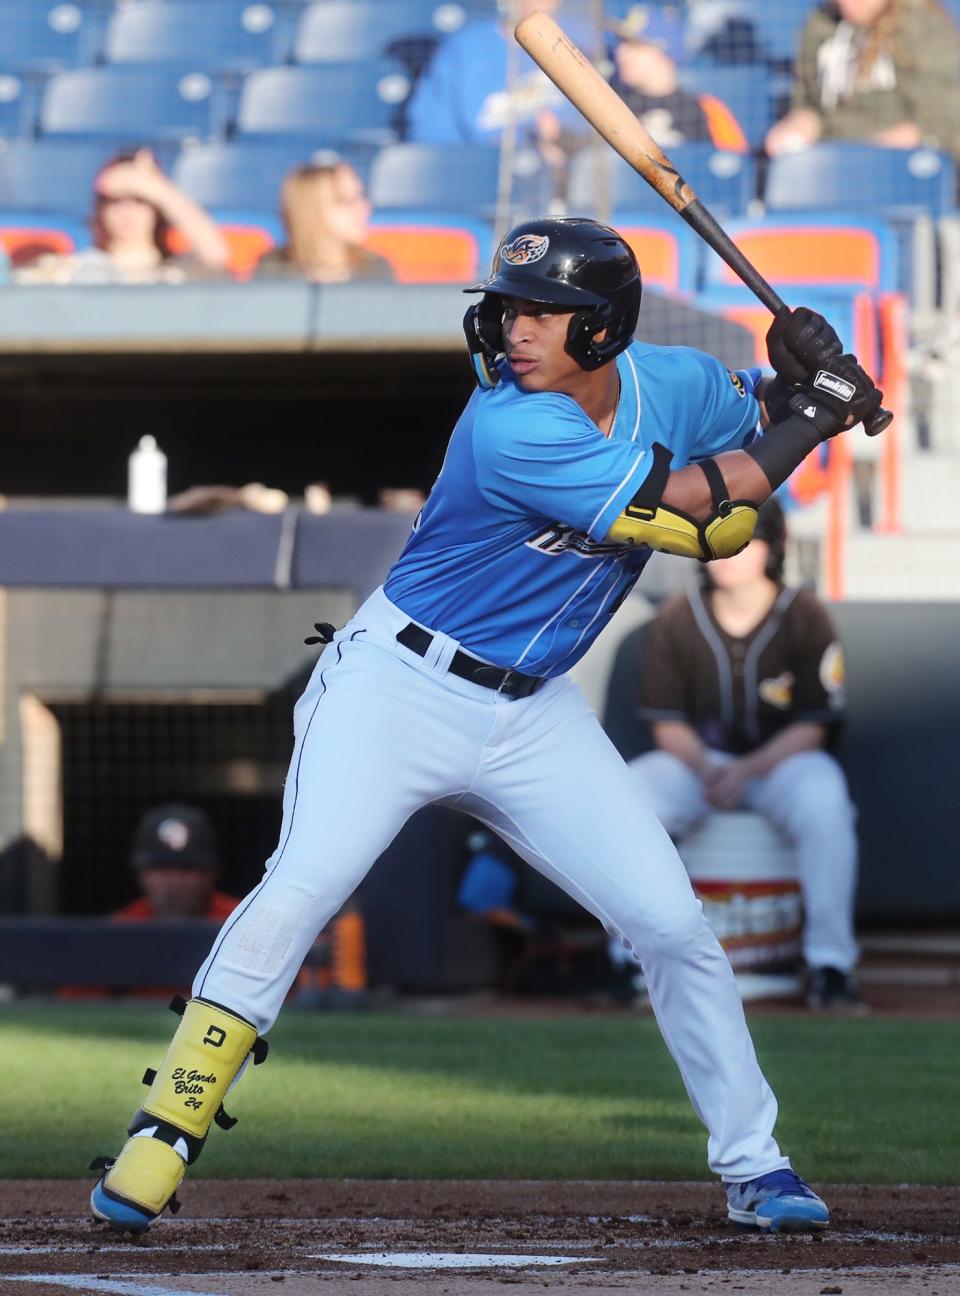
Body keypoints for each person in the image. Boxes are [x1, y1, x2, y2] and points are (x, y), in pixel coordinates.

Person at [89, 219, 883, 1237]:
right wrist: (816, 417)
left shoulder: (675, 383)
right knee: (302, 888)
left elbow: (748, 416)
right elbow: (709, 521)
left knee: (674, 927)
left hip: (534, 710)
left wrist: (800, 382)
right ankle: (166, 1127)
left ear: (603, 331)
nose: (516, 330)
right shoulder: (512, 428)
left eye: (545, 313)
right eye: (510, 308)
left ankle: (756, 1166)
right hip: (398, 685)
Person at [629, 500, 863, 1011]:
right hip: (700, 768)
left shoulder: (804, 614)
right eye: (719, 539)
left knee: (825, 797)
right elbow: (667, 724)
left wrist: (745, 770)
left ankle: (830, 964)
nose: (729, 554)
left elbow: (812, 728)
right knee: (635, 792)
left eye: (743, 539)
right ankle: (629, 959)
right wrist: (711, 769)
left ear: (771, 548)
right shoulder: (677, 615)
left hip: (777, 768)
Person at [765, 0, 960, 162]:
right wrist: (798, 127)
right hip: (834, 162)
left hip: (900, 166)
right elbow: (809, 104)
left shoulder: (921, 24)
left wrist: (864, 156)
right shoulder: (820, 23)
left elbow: (943, 116)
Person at [458, 827, 639, 999]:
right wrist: (533, 926)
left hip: (594, 924)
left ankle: (631, 979)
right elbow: (476, 906)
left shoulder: (590, 842)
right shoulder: (500, 851)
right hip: (533, 934)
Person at [14, 149, 230, 284]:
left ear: (156, 209)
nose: (127, 211)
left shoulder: (178, 272)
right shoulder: (73, 270)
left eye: (139, 201)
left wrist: (155, 188)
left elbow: (216, 255)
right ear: (101, 209)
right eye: (116, 201)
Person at [406, 0, 588, 147]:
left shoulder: (588, 40)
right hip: (482, 178)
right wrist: (527, 135)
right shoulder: (466, 48)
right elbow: (431, 137)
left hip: (573, 176)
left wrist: (562, 137)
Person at [254, 161, 393, 285]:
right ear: (310, 209)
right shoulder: (272, 270)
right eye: (347, 201)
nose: (365, 208)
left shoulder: (376, 270)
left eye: (360, 197)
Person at [116, 805, 238, 923]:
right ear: (140, 875)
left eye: (187, 869)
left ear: (212, 875)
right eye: (161, 869)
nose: (173, 882)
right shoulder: (122, 928)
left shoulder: (241, 922)